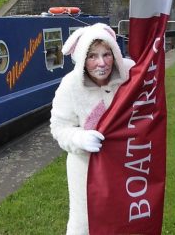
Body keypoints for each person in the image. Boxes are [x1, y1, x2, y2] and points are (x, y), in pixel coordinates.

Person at [50, 23, 135, 235]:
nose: (101, 63)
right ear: (81, 58)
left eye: (107, 54)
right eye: (92, 56)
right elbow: (59, 127)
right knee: (84, 221)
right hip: (85, 169)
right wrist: (79, 139)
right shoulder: (69, 86)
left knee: (124, 216)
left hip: (126, 162)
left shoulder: (131, 74)